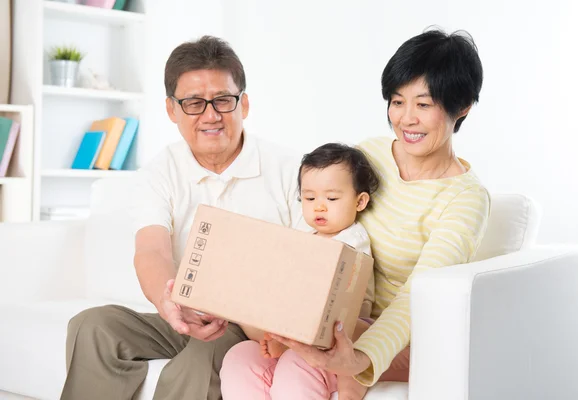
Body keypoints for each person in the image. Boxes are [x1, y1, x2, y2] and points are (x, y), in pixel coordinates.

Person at [60, 36, 304, 400]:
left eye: (223, 100)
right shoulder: (159, 172)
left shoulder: (290, 170)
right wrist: (171, 303)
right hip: (183, 313)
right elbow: (151, 251)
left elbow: (310, 262)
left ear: (244, 104)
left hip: (250, 324)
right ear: (172, 110)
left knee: (205, 354)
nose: (210, 115)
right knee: (92, 326)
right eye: (193, 103)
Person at [269, 28, 491, 400]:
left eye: (424, 104)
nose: (406, 119)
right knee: (242, 358)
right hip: (336, 316)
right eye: (397, 101)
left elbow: (416, 295)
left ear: (463, 105)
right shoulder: (369, 154)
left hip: (403, 336)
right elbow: (317, 227)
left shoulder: (466, 198)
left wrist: (358, 357)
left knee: (295, 367)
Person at [219, 142, 379, 399]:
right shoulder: (303, 237)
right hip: (292, 332)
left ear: (360, 201)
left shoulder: (352, 239)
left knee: (297, 364)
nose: (319, 206)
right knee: (240, 356)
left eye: (332, 198)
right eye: (310, 197)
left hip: (338, 340)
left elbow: (324, 288)